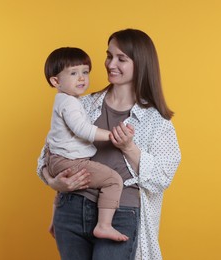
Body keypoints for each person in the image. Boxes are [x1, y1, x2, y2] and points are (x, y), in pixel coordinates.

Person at [37, 29, 181, 260]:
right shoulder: (81, 103)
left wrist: (129, 147)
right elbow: (46, 155)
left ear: (140, 64)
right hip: (72, 208)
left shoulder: (156, 121)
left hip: (121, 214)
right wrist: (55, 182)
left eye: (121, 59)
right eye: (109, 56)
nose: (110, 64)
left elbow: (161, 179)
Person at [43, 47, 129, 242]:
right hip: (67, 160)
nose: (81, 78)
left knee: (65, 187)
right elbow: (82, 129)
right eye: (73, 73)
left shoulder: (64, 100)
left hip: (56, 159)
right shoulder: (71, 103)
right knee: (114, 180)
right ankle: (104, 225)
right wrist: (111, 135)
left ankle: (55, 221)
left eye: (85, 72)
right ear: (55, 81)